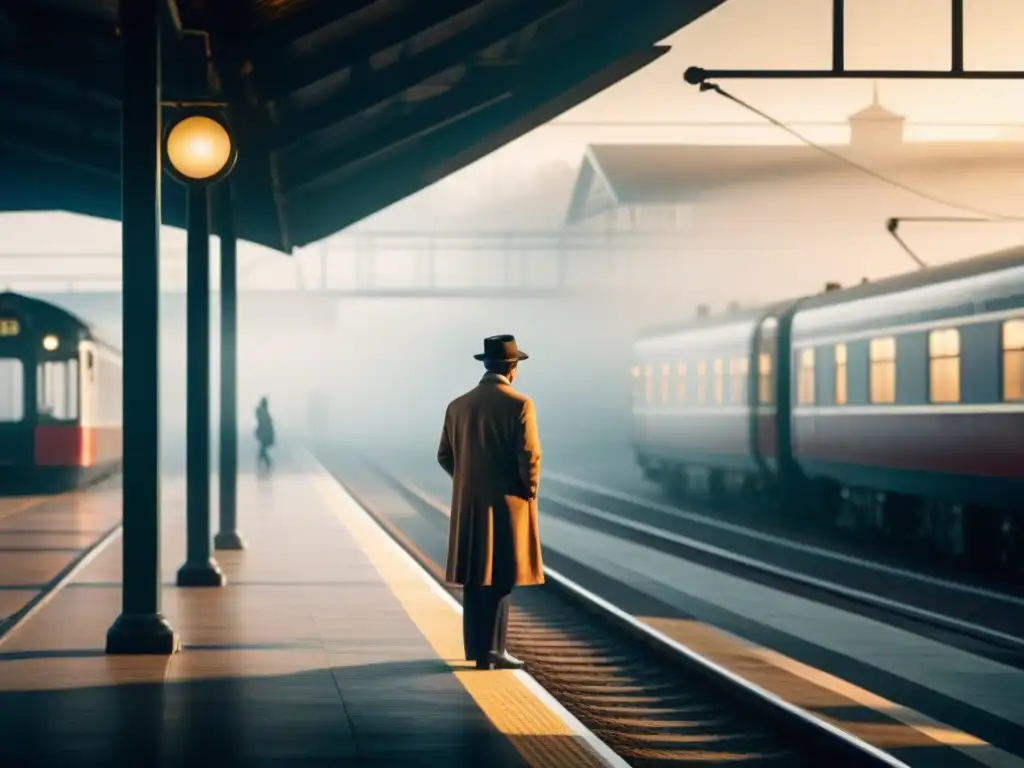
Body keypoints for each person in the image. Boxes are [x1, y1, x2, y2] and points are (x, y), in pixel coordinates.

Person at [437, 334, 543, 671]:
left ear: (486, 365)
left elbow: (444, 456)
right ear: (512, 369)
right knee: (501, 578)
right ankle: (496, 651)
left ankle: (478, 650)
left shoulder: (458, 405)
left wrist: (468, 482)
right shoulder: (519, 404)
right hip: (507, 507)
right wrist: (528, 491)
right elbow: (529, 456)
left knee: (474, 578)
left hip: (469, 507)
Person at [255, 396, 275, 476]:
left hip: (264, 434)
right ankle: (266, 464)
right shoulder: (264, 413)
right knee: (262, 450)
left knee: (262, 450)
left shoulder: (262, 412)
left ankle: (265, 464)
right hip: (264, 434)